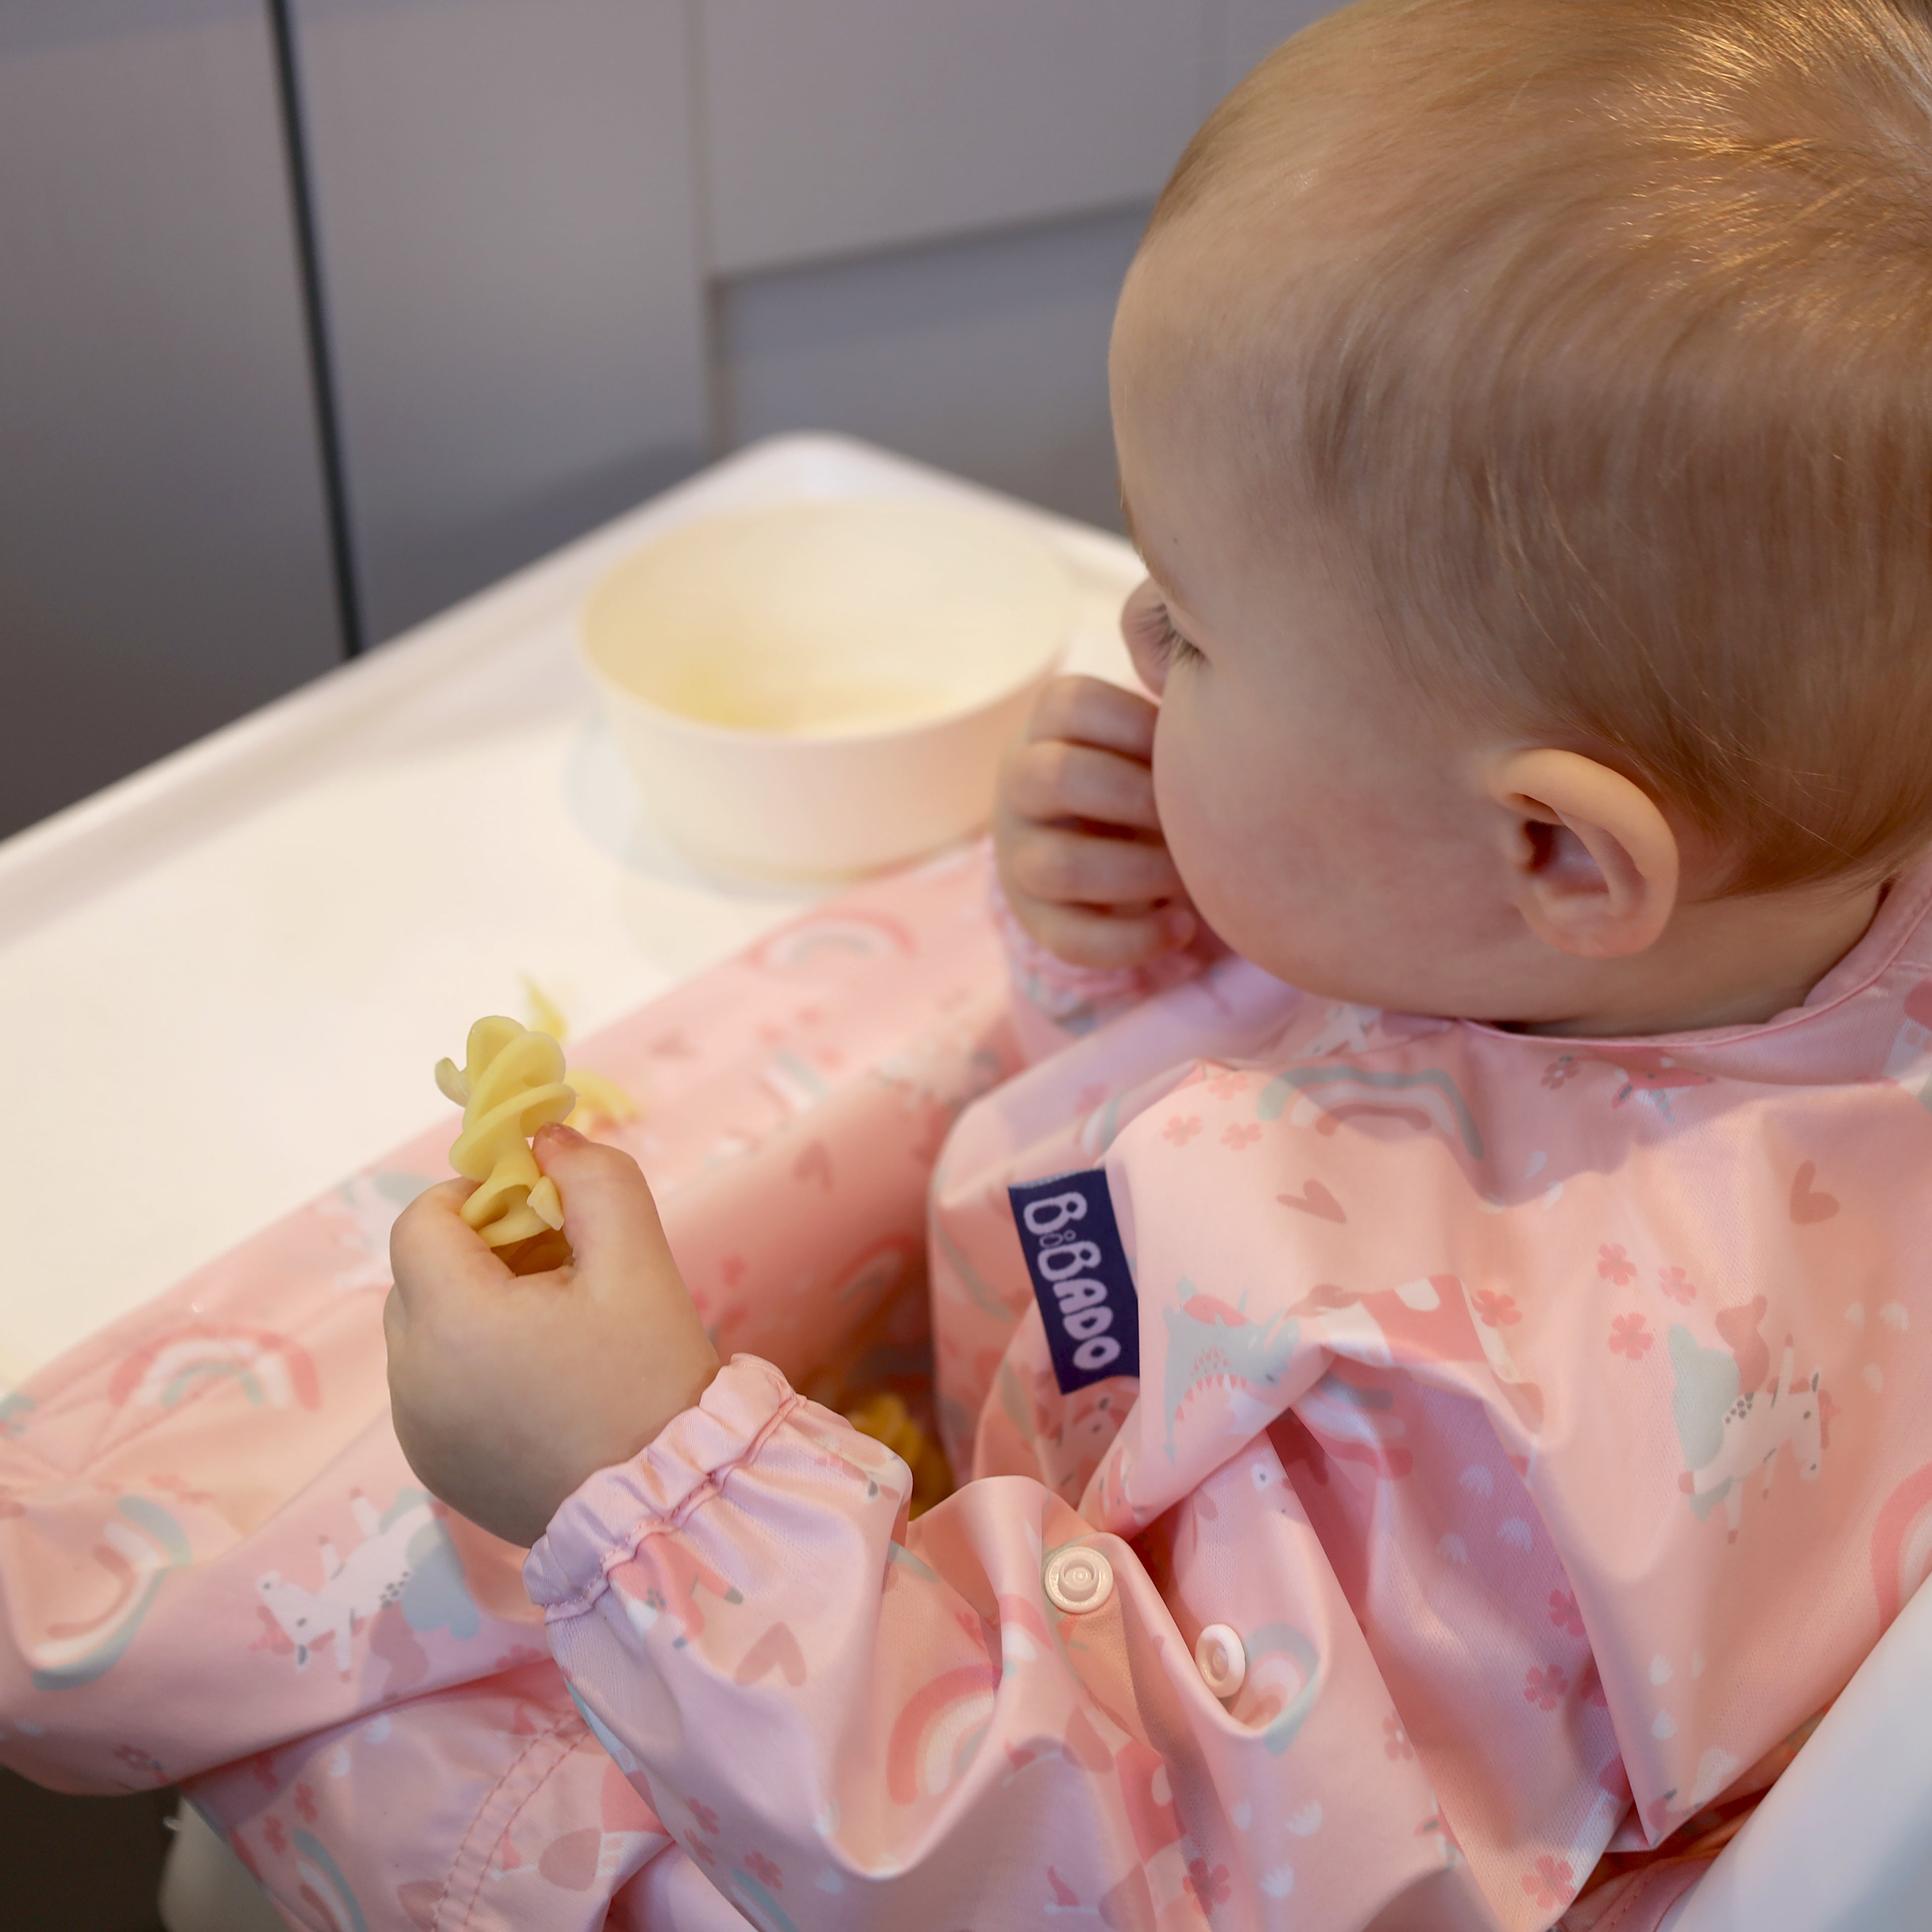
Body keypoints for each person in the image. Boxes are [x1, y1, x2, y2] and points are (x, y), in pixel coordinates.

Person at [379, 1, 1932, 1926]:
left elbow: (1105, 1867)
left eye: (1190, 624)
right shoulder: (1740, 897)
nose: (1128, 637)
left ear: (1554, 848)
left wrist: (646, 1488)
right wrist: (1135, 947)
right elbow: (1302, 1073)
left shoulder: (1435, 1433)